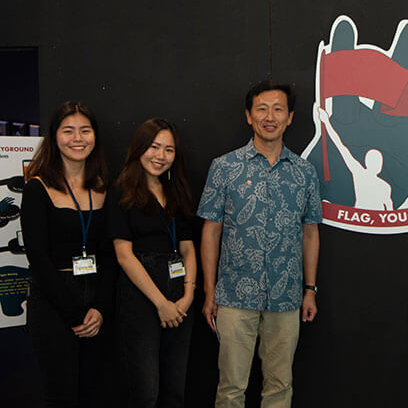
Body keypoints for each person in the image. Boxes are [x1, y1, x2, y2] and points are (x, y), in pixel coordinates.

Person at [198, 80, 322, 408]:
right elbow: (211, 231)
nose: (270, 116)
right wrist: (210, 292)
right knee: (230, 388)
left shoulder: (305, 172)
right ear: (249, 116)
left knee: (280, 386)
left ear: (290, 117)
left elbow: (310, 232)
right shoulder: (224, 167)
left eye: (278, 109)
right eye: (262, 109)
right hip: (234, 295)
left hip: (286, 296)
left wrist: (310, 288)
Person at [21, 100, 113, 407]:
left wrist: (99, 308)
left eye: (85, 130)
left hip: (95, 304)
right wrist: (74, 315)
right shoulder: (38, 188)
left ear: (95, 136)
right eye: (68, 130)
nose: (78, 138)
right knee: (61, 395)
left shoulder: (102, 187)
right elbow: (38, 257)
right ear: (54, 136)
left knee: (94, 393)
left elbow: (109, 253)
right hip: (54, 303)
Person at [108, 118, 196, 407]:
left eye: (168, 150)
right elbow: (123, 255)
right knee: (146, 392)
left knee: (175, 389)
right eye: (154, 147)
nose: (160, 156)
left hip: (179, 293)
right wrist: (161, 304)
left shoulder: (176, 191)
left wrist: (188, 294)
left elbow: (188, 247)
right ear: (139, 148)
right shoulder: (121, 190)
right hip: (142, 295)